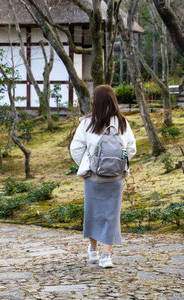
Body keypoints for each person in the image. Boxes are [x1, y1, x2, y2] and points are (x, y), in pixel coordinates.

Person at [70, 85, 136, 268]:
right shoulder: (122, 122)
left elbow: (75, 149)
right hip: (115, 177)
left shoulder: (87, 122)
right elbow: (130, 149)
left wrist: (88, 163)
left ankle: (93, 249)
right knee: (111, 215)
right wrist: (119, 162)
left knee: (93, 212)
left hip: (93, 176)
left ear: (95, 100)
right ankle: (106, 256)